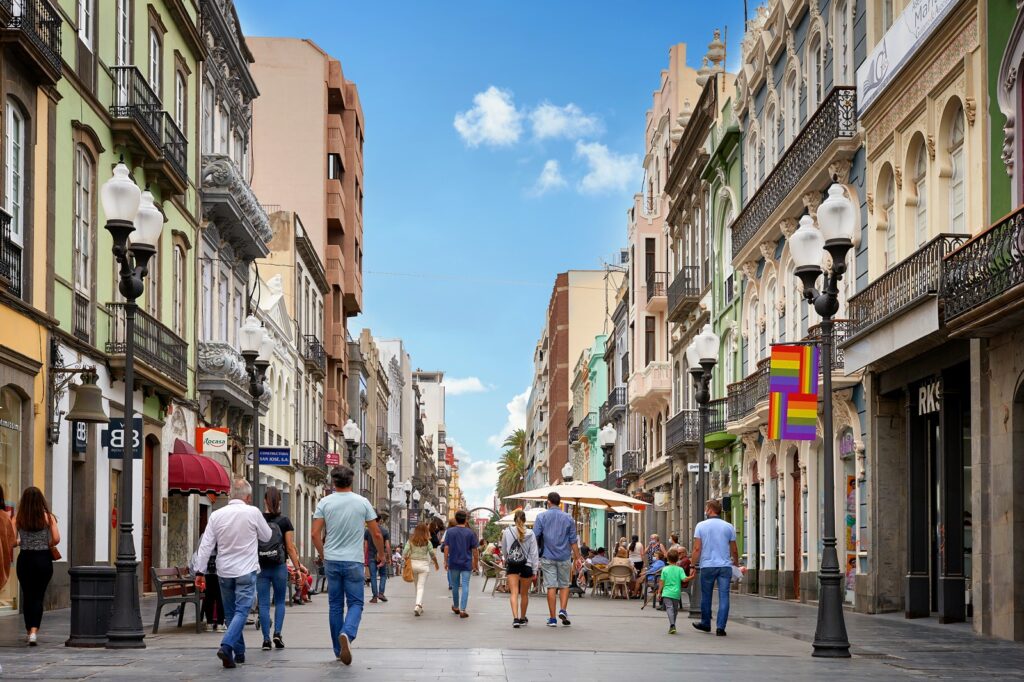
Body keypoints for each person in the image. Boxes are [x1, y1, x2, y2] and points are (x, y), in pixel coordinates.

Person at [193, 479, 273, 668]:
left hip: (224, 571)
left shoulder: (216, 515)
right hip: (246, 569)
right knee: (242, 611)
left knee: (230, 613)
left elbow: (206, 545)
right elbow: (267, 536)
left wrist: (200, 571)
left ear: (230, 495)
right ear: (248, 497)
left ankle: (239, 654)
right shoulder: (253, 512)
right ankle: (227, 645)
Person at [312, 465, 385, 665]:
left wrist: (324, 554)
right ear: (351, 481)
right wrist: (380, 554)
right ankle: (347, 633)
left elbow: (315, 534)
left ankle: (338, 650)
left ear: (333, 481)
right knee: (356, 603)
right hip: (354, 560)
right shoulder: (362, 503)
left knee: (335, 605)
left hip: (332, 560)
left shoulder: (325, 502)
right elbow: (376, 533)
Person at [257, 486, 302, 651]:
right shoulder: (284, 521)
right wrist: (297, 568)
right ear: (280, 501)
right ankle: (277, 633)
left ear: (265, 501)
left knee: (263, 604)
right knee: (280, 601)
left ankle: (266, 640)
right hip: (279, 566)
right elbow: (290, 547)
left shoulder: (258, 519)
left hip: (261, 566)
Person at [14, 487, 58, 646]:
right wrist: (45, 543)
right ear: (41, 500)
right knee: (38, 596)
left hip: (25, 559)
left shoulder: (18, 518)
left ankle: (28, 631)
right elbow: (56, 539)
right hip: (43, 559)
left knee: (27, 595)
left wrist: (22, 541)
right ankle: (34, 632)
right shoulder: (48, 517)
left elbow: (12, 541)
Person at [691, 498, 739, 636]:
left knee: (706, 595)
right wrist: (736, 563)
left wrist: (693, 564)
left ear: (710, 510)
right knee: (724, 596)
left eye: (706, 508)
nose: (705, 511)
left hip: (707, 566)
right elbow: (734, 549)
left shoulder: (701, 526)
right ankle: (720, 627)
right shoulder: (729, 526)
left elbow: (697, 548)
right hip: (725, 566)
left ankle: (706, 623)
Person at [533, 492, 581, 627]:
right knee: (564, 585)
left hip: (547, 557)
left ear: (548, 502)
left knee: (551, 586)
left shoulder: (541, 517)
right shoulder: (568, 518)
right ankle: (563, 610)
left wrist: (534, 555)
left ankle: (553, 619)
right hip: (565, 557)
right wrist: (578, 557)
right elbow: (573, 541)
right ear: (559, 502)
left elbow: (535, 537)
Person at [500, 509, 539, 628]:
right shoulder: (531, 533)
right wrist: (534, 569)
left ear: (514, 520)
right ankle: (522, 618)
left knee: (514, 593)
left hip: (512, 565)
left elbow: (504, 549)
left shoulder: (507, 531)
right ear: (525, 520)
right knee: (524, 594)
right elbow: (534, 553)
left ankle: (515, 618)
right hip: (527, 565)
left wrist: (508, 558)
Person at [442, 509, 479, 618]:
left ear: (456, 519)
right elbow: (475, 551)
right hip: (466, 562)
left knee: (455, 585)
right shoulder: (470, 533)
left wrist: (445, 561)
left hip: (453, 562)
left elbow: (446, 547)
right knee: (465, 584)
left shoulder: (450, 532)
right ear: (466, 520)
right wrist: (475, 564)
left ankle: (456, 606)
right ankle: (463, 610)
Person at [403, 522, 439, 616]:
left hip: (413, 565)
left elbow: (405, 552)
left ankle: (419, 605)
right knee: (421, 586)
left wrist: (406, 558)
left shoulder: (410, 541)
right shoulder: (427, 542)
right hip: (423, 566)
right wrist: (436, 563)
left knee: (417, 586)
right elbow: (432, 554)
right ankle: (418, 605)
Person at [364, 511, 391, 603]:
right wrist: (389, 557)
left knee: (373, 576)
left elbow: (366, 546)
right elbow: (387, 546)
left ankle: (375, 597)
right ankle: (381, 593)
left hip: (371, 556)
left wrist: (364, 557)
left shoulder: (367, 531)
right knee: (383, 575)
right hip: (382, 555)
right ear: (380, 520)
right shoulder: (385, 531)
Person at [658, 549, 688, 634]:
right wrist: (691, 577)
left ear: (667, 558)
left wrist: (659, 592)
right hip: (676, 593)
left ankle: (672, 625)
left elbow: (661, 581)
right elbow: (684, 579)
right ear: (677, 558)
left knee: (669, 608)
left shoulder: (665, 569)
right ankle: (672, 625)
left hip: (666, 592)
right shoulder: (680, 569)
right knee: (675, 610)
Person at [200, 547, 225, 632]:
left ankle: (209, 623)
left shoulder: (204, 540)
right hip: (221, 573)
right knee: (220, 598)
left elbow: (199, 555)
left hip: (207, 574)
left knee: (208, 598)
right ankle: (220, 624)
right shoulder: (223, 538)